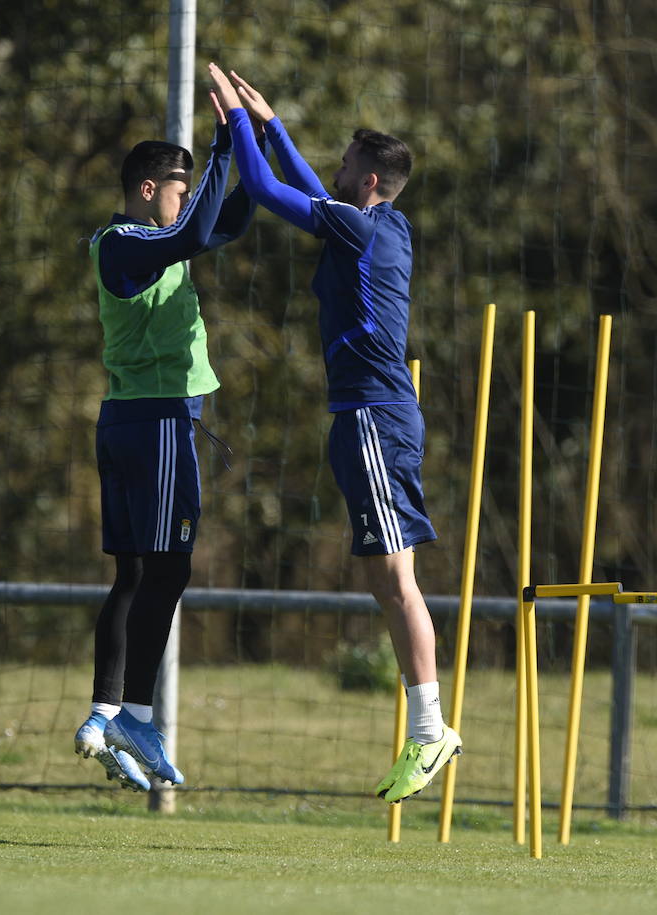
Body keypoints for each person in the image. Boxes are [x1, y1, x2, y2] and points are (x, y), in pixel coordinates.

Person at [209, 65, 461, 804]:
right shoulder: (379, 222)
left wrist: (237, 127)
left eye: (348, 165)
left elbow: (266, 192)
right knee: (387, 580)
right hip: (370, 418)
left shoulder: (359, 226)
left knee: (397, 582)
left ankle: (432, 729)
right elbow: (316, 190)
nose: (336, 172)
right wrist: (274, 125)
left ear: (372, 182)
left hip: (375, 419)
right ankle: (429, 726)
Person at [73, 89, 258, 792]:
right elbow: (191, 233)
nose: (188, 202)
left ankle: (106, 714)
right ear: (147, 189)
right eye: (180, 189)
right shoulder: (126, 243)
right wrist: (222, 144)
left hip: (138, 419)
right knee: (168, 570)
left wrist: (255, 148)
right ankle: (134, 717)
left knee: (136, 574)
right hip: (151, 423)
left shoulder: (154, 241)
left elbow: (229, 217)